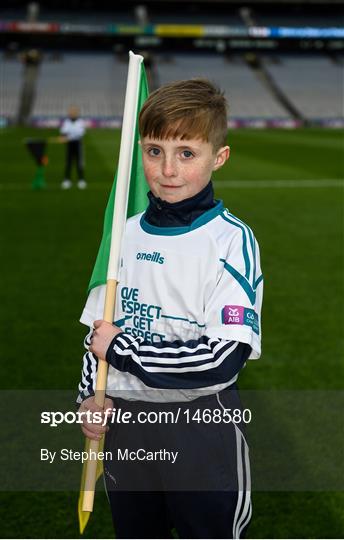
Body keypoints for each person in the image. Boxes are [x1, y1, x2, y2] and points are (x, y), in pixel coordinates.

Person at [77, 79, 263, 539]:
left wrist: (124, 352)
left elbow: (222, 359)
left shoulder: (230, 241)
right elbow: (99, 332)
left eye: (186, 153)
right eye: (154, 151)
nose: (167, 169)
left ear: (218, 158)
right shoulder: (126, 234)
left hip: (199, 429)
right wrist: (88, 395)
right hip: (130, 428)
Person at [59, 105, 86, 189]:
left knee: (79, 162)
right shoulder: (66, 122)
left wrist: (69, 135)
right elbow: (63, 131)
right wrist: (65, 136)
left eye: (74, 112)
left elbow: (80, 133)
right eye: (71, 112)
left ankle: (81, 180)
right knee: (68, 162)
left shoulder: (80, 122)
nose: (72, 114)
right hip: (69, 144)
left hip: (77, 143)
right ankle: (67, 180)